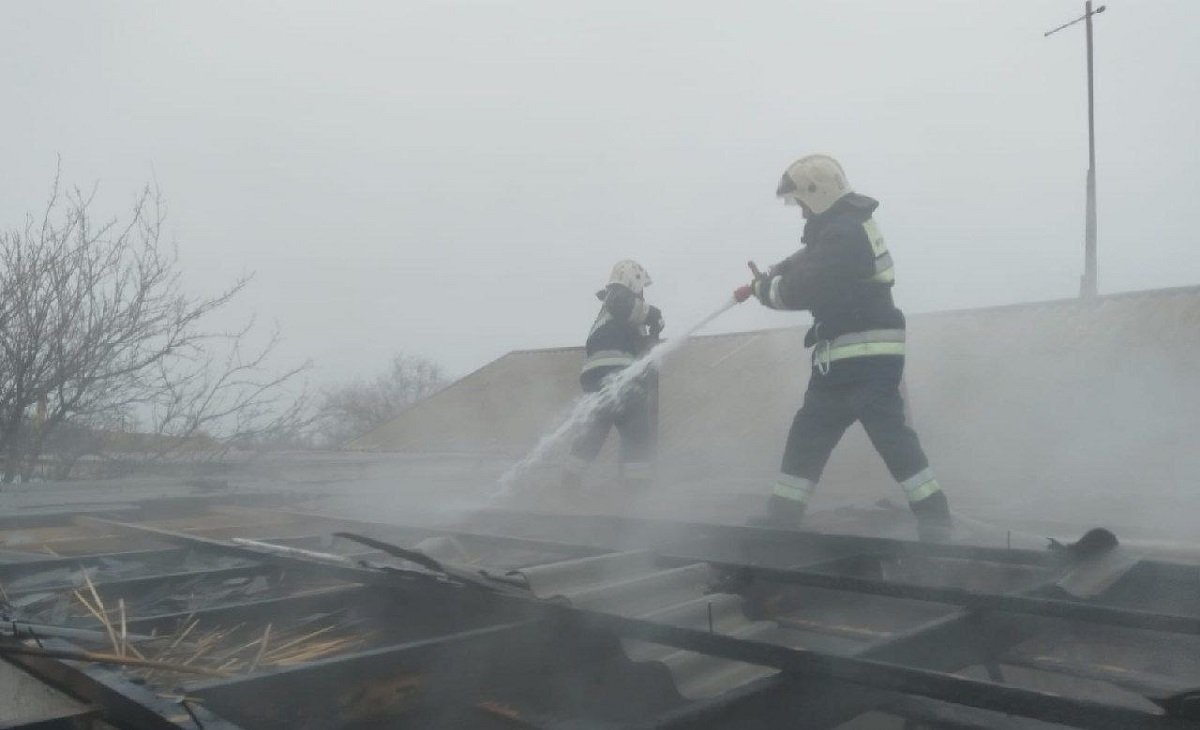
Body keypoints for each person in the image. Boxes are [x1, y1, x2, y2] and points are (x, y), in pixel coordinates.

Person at [735, 155, 952, 540]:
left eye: (801, 202)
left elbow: (804, 287)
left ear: (816, 194)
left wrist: (763, 289)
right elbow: (810, 261)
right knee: (807, 437)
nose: (801, 211)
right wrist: (780, 269)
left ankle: (935, 518)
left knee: (891, 439)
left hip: (867, 361)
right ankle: (783, 516)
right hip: (838, 364)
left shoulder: (844, 233)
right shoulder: (840, 229)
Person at [564, 260, 664, 490]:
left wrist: (651, 337)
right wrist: (655, 315)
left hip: (599, 385)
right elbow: (626, 306)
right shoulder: (617, 298)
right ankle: (636, 491)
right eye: (641, 288)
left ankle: (568, 483)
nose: (642, 294)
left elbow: (641, 355)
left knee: (592, 433)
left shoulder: (616, 317)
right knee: (638, 437)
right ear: (632, 282)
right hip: (621, 382)